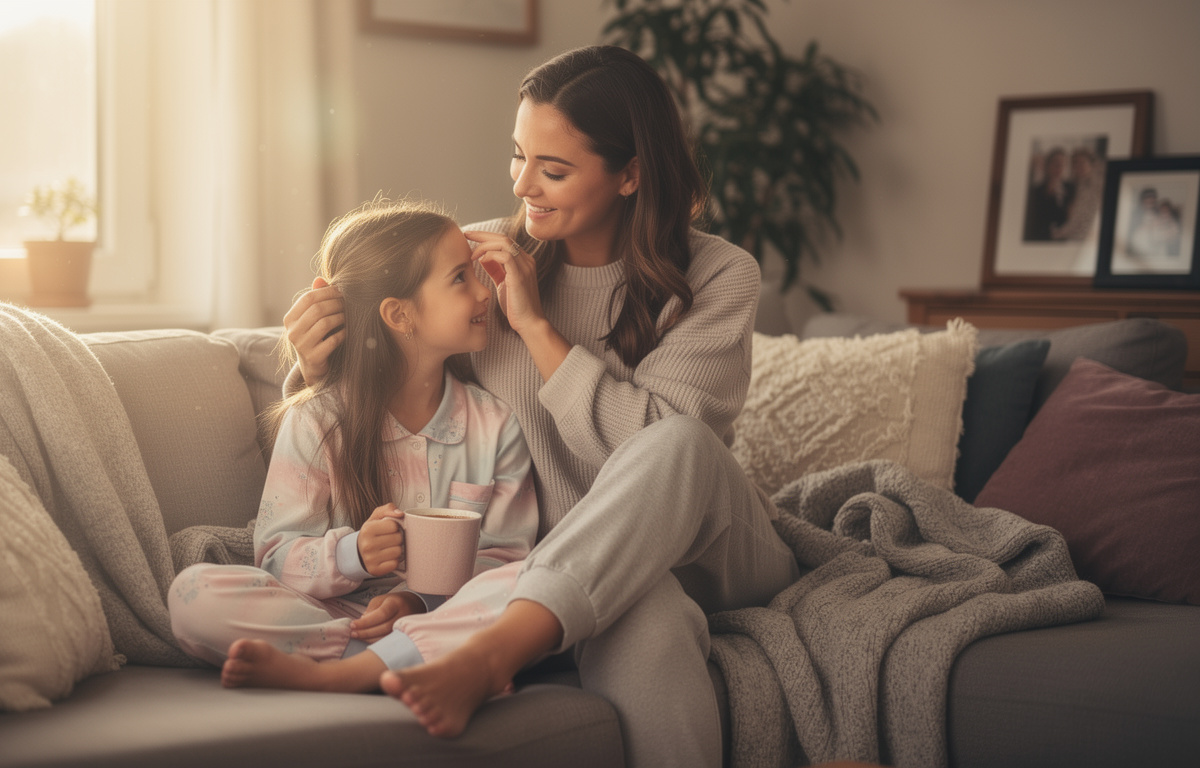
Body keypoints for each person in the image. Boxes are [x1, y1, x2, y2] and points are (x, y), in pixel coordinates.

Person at [284, 45, 798, 768]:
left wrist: (534, 328)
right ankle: (515, 636)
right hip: (556, 579)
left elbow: (648, 451)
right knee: (645, 624)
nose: (524, 186)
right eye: (518, 156)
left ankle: (491, 657)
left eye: (553, 170)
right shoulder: (476, 264)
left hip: (710, 546)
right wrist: (315, 366)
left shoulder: (717, 275)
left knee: (677, 442)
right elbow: (396, 384)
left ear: (631, 173)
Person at [167, 199, 539, 694]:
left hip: (443, 613)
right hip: (335, 614)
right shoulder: (316, 420)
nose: (484, 292)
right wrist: (353, 555)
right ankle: (392, 659)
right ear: (399, 315)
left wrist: (415, 602)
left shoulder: (495, 424)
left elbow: (507, 556)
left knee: (536, 583)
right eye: (460, 278)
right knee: (194, 593)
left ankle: (356, 667)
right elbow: (276, 556)